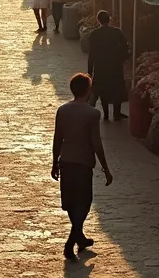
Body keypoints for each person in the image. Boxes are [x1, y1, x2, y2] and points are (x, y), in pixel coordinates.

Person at [52, 73, 113, 262]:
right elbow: (96, 143)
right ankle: (71, 241)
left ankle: (79, 237)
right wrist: (105, 168)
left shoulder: (62, 110)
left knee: (70, 201)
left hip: (66, 160)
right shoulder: (92, 113)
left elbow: (57, 138)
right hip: (84, 162)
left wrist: (54, 162)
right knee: (84, 202)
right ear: (88, 90)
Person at [86, 11, 129, 120]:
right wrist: (122, 59)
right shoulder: (117, 32)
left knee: (103, 90)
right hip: (115, 65)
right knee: (116, 88)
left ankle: (106, 114)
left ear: (98, 20)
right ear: (109, 19)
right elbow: (125, 47)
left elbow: (91, 54)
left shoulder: (94, 34)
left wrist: (89, 71)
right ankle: (116, 113)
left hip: (100, 66)